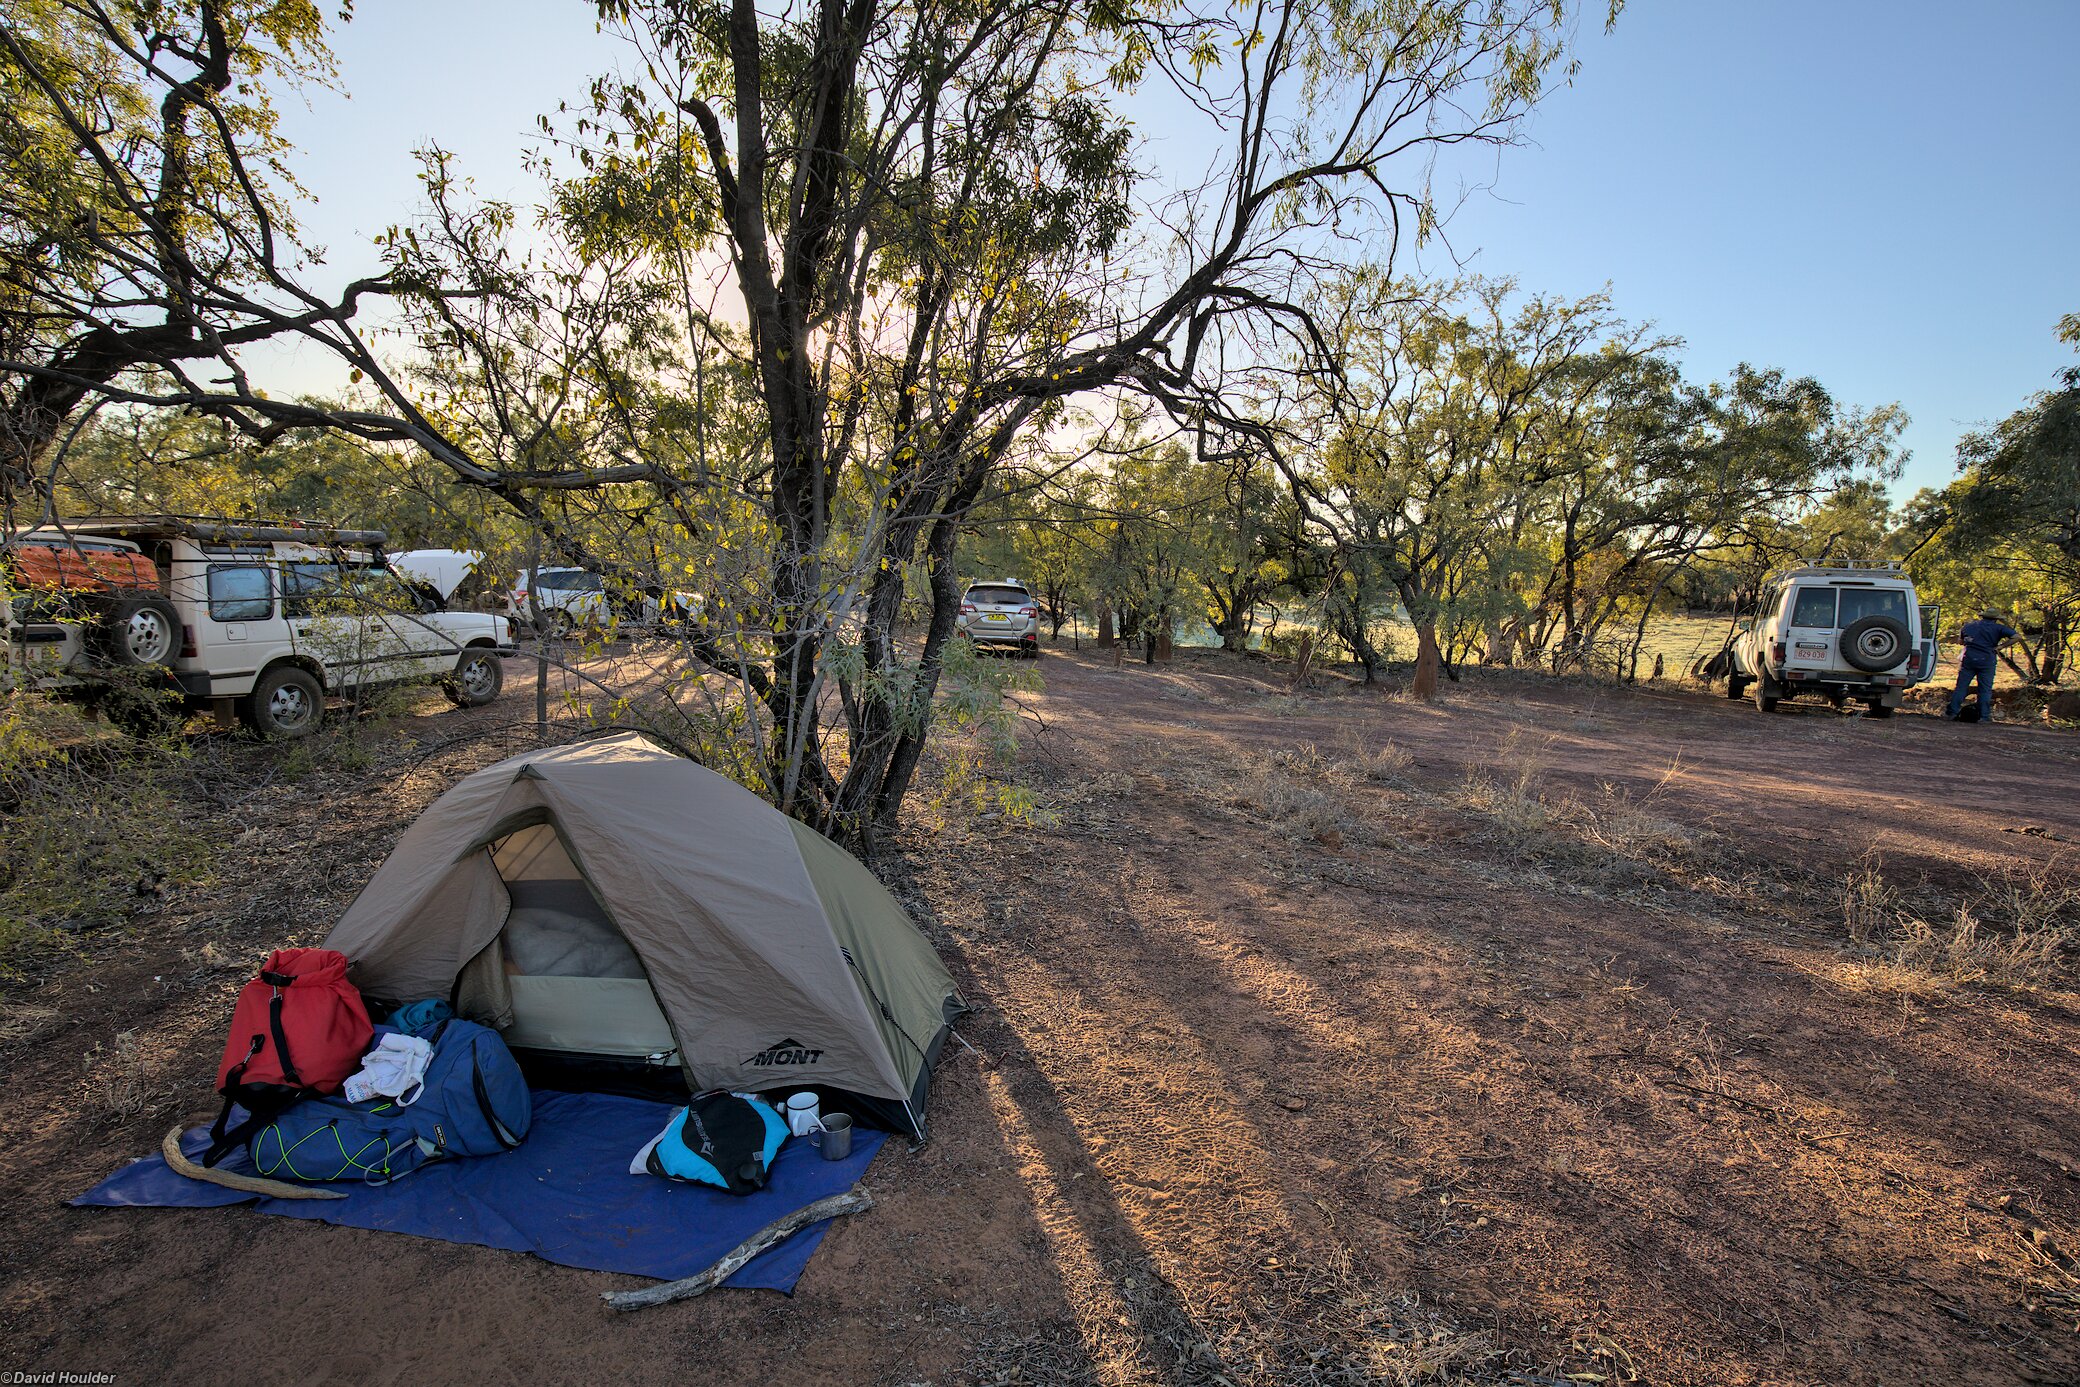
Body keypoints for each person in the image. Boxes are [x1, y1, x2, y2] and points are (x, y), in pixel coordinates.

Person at [1946, 609, 2021, 722]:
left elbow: (1960, 641)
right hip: (1987, 660)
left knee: (1961, 687)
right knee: (1985, 689)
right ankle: (1983, 716)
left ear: (1982, 617)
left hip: (1968, 659)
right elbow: (2017, 637)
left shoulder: (1968, 626)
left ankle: (1952, 712)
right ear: (1996, 619)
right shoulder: (1998, 628)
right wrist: (2000, 646)